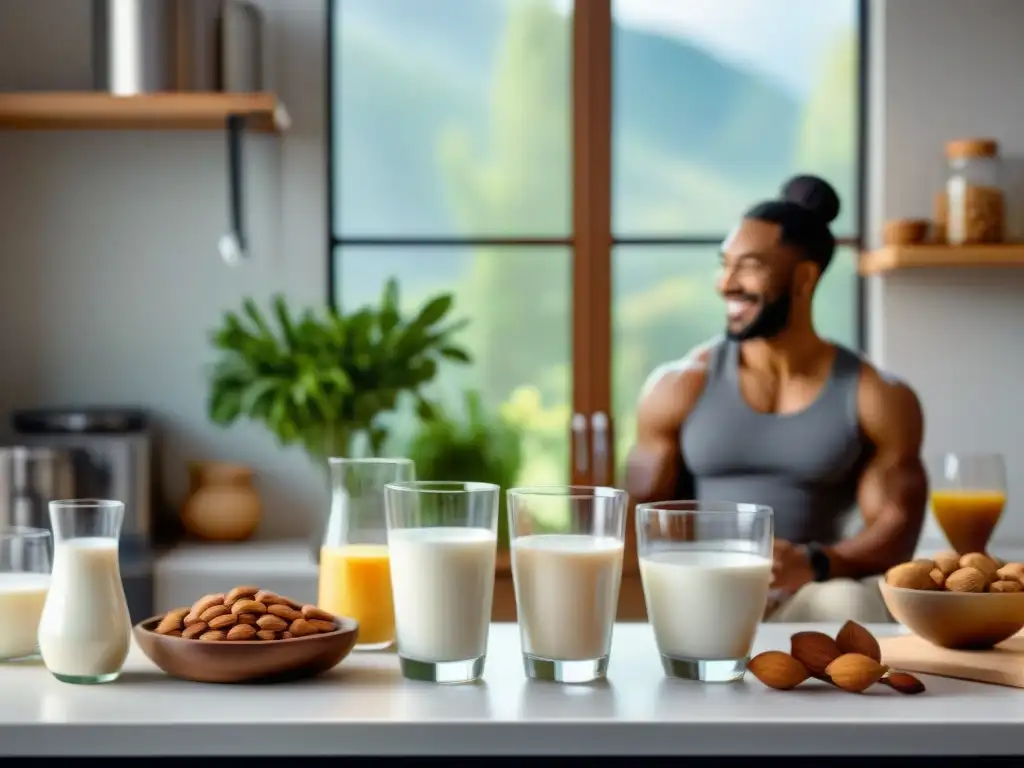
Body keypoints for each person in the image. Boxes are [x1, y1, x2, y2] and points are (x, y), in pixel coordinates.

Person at [625, 175, 928, 623]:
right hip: (706, 591)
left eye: (748, 266)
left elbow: (895, 528)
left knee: (850, 603)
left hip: (811, 594)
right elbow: (640, 520)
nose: (726, 283)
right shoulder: (677, 385)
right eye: (724, 264)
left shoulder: (877, 395)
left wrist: (814, 562)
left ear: (803, 278)